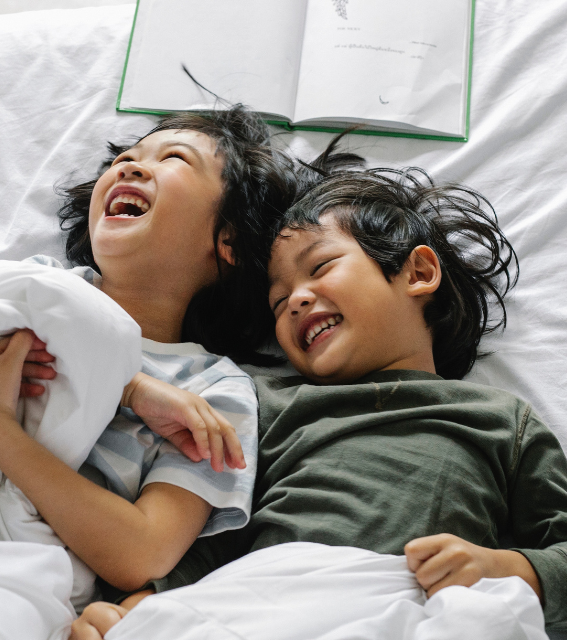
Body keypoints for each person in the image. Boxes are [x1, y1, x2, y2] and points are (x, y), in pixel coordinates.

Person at [72, 145, 567, 637]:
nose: (296, 300)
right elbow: (214, 538)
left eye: (322, 266)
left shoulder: (499, 419)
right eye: (278, 301)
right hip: (266, 602)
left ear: (417, 273)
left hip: (414, 601)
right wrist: (134, 608)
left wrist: (506, 569)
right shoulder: (260, 402)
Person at [0, 106, 298, 605]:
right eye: (124, 158)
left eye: (174, 158)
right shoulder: (42, 285)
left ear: (228, 238)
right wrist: (129, 388)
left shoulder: (211, 393)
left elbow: (143, 552)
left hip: (6, 572)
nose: (130, 166)